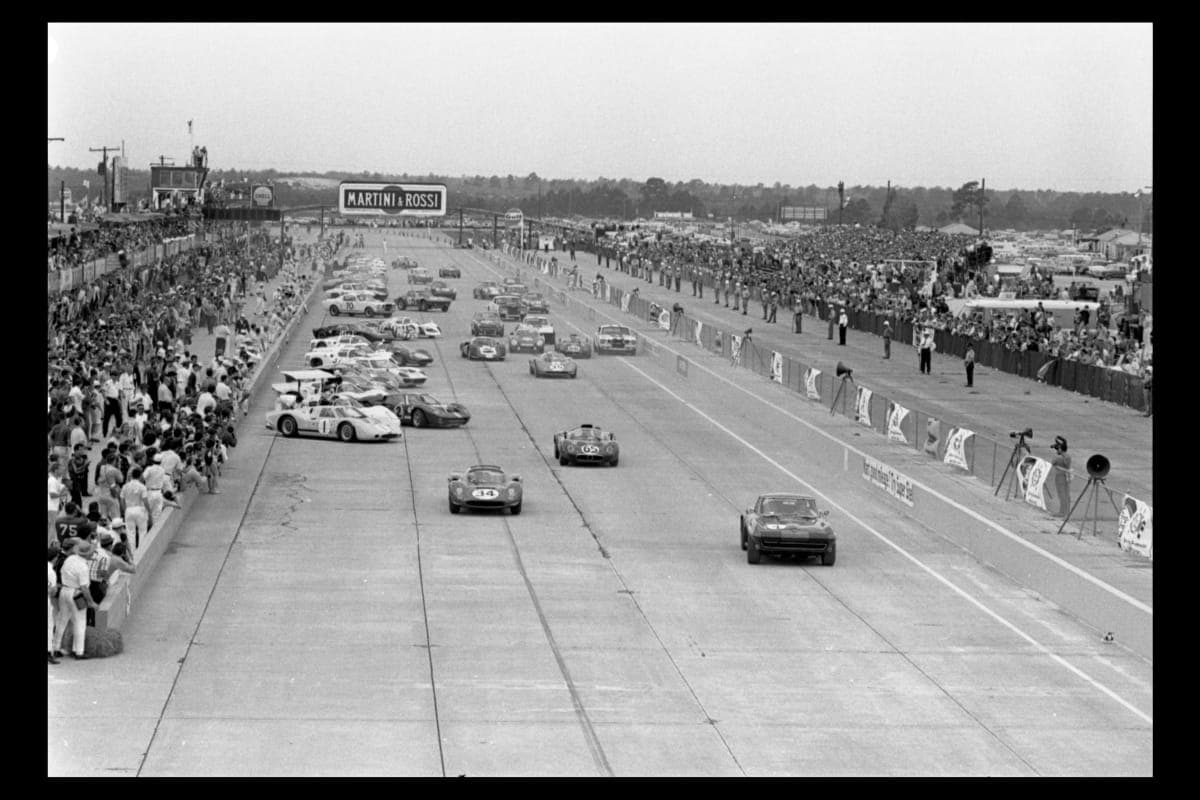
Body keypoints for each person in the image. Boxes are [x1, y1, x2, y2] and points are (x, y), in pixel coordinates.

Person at [56, 538, 98, 660]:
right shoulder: (83, 567)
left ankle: (56, 648)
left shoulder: (69, 559)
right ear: (88, 554)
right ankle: (79, 651)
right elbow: (85, 588)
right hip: (76, 594)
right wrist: (91, 602)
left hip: (64, 590)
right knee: (79, 622)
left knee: (61, 620)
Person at [1051, 436, 1072, 519]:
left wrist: (1057, 456)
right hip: (1066, 477)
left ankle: (1063, 512)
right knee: (1065, 495)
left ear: (1060, 448)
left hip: (1060, 477)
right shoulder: (1068, 456)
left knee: (1062, 495)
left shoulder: (1059, 457)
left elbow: (1053, 462)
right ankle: (1066, 512)